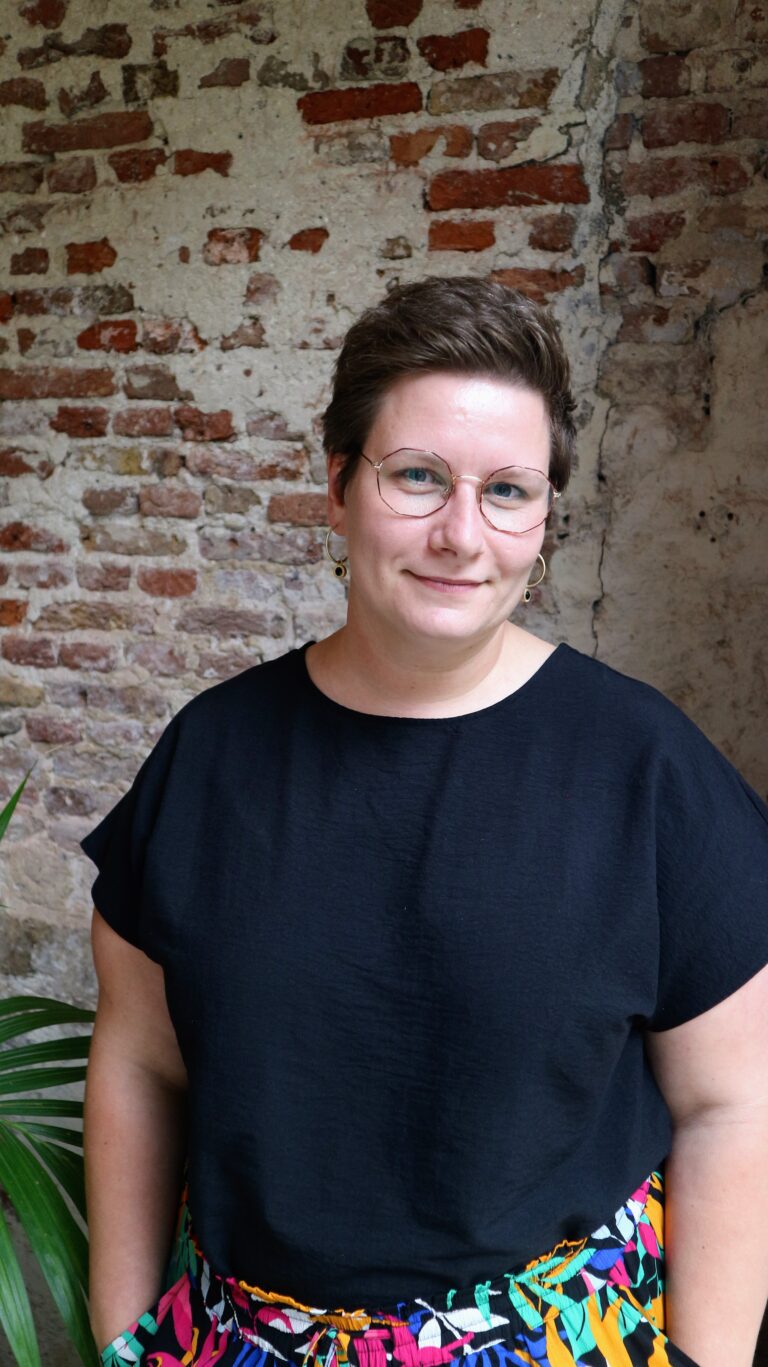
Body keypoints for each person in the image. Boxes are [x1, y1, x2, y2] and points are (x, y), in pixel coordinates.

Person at [80, 275, 768, 1367]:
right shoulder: (210, 755)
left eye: (509, 490)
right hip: (244, 1340)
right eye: (417, 476)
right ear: (337, 484)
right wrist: (122, 1337)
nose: (461, 534)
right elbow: (138, 1061)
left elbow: (733, 1103)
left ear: (544, 517)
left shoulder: (650, 771)